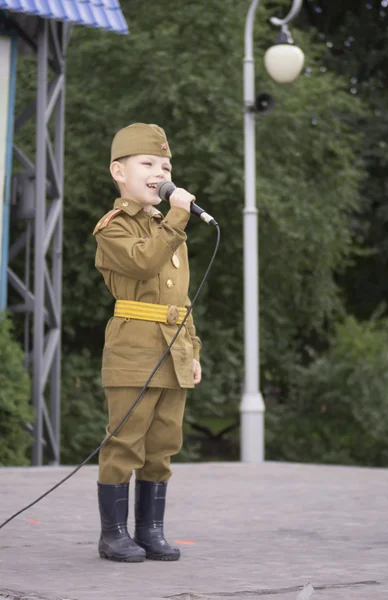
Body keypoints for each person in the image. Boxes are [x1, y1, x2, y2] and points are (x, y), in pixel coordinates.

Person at [92, 123, 202, 563]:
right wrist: (176, 216)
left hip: (173, 347)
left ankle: (150, 530)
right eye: (148, 164)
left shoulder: (167, 226)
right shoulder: (114, 228)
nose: (160, 172)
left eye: (165, 165)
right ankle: (113, 534)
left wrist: (192, 350)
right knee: (125, 442)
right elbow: (142, 263)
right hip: (133, 347)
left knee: (163, 444)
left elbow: (180, 297)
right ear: (119, 172)